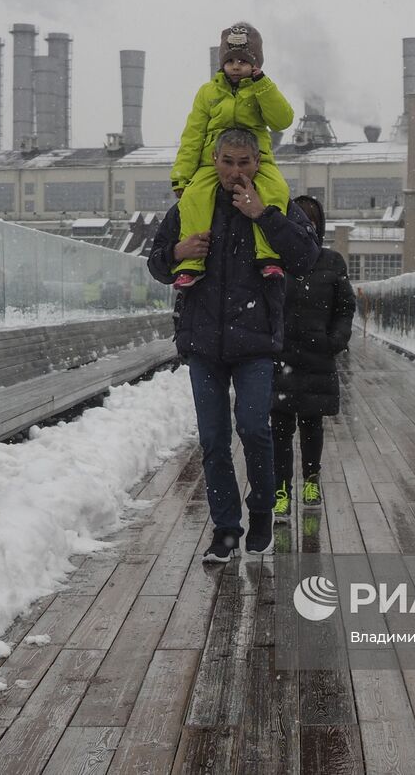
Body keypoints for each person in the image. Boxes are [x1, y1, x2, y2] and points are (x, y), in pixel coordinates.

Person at [148, 128, 321, 562]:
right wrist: (177, 251)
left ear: (258, 161)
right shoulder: (193, 204)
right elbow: (156, 262)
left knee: (253, 427)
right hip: (204, 344)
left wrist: (263, 215)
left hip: (256, 343)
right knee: (213, 439)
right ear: (215, 159)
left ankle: (261, 509)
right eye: (228, 162)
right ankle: (226, 529)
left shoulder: (273, 202)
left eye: (244, 163)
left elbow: (306, 258)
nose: (235, 172)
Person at [169, 22, 296, 289]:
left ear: (256, 64)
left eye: (243, 61)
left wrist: (264, 86)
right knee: (194, 197)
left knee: (276, 189)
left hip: (257, 160)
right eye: (230, 61)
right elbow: (193, 135)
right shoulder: (208, 93)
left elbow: (282, 120)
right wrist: (181, 176)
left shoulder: (261, 90)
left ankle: (268, 256)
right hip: (211, 162)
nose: (236, 67)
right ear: (221, 63)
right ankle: (191, 263)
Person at [270, 196, 356, 520]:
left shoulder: (332, 262)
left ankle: (311, 479)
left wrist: (336, 340)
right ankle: (281, 489)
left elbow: (345, 306)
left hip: (316, 355)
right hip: (281, 355)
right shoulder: (274, 260)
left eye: (310, 220)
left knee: (311, 424)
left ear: (318, 225)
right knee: (279, 427)